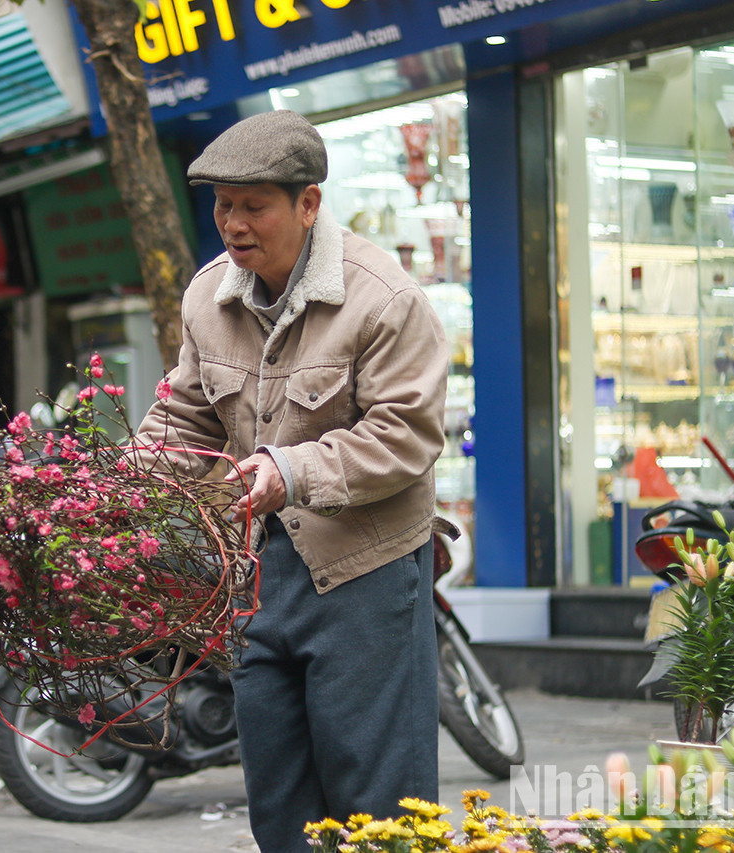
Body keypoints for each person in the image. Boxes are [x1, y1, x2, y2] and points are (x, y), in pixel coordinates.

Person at [133, 110, 448, 851]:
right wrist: (123, 488)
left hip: (364, 574)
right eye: (221, 205)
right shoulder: (208, 296)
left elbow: (408, 433)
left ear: (308, 204)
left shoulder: (384, 298)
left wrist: (291, 468)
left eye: (253, 205)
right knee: (281, 804)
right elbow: (185, 418)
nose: (232, 224)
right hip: (253, 578)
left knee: (379, 803)